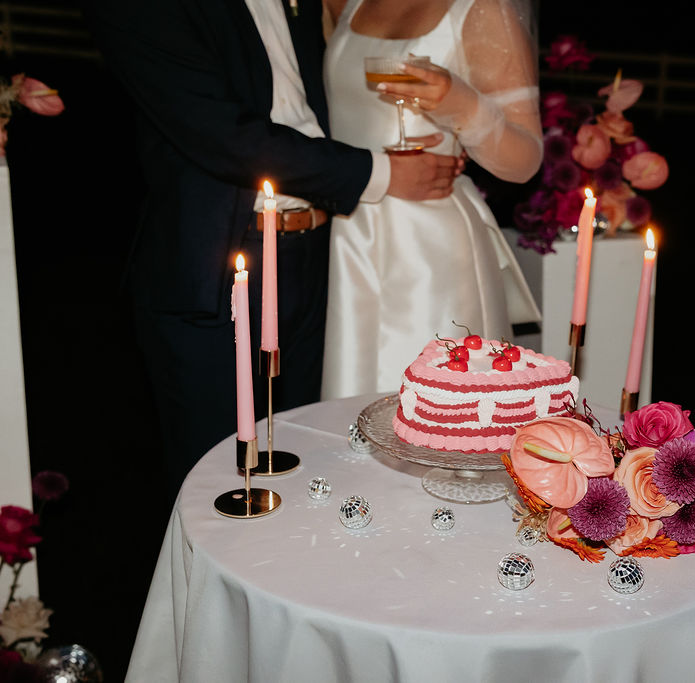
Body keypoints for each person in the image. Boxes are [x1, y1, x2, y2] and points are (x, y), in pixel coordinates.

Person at [82, 0, 463, 502]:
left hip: (322, 252)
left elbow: (316, 104)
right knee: (219, 479)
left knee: (308, 463)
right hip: (218, 267)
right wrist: (380, 172)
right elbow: (220, 136)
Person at [318, 0, 543, 399]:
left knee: (438, 419)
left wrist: (461, 106)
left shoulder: (481, 9)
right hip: (349, 235)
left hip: (431, 251)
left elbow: (526, 161)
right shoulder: (343, 3)